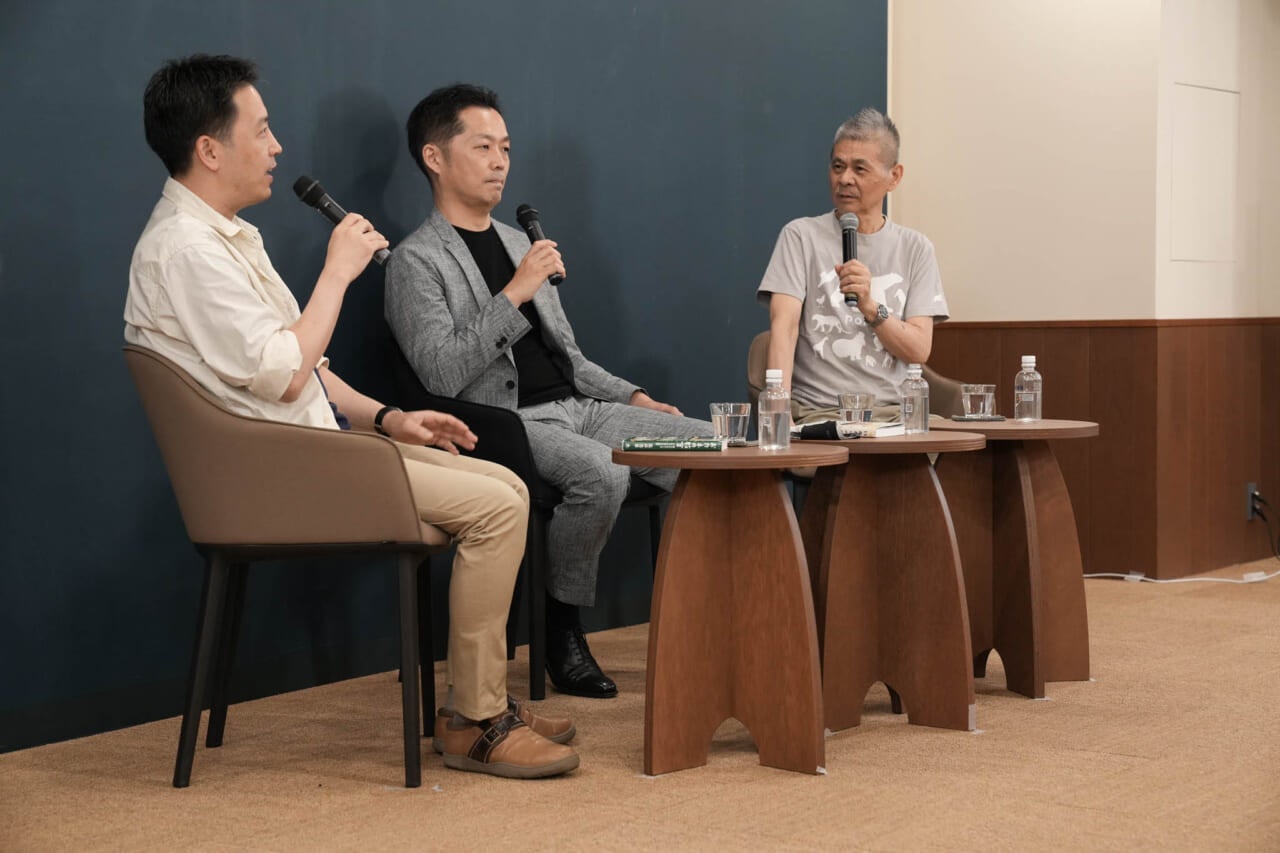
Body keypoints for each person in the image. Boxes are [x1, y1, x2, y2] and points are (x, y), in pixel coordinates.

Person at [124, 55, 576, 779]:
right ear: (209, 149)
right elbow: (285, 373)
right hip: (276, 472)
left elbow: (310, 370)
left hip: (314, 448)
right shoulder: (185, 250)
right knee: (496, 505)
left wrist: (392, 418)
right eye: (261, 131)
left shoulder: (226, 235)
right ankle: (475, 720)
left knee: (502, 482)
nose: (277, 147)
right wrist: (337, 273)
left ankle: (476, 700)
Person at [385, 84, 711, 699]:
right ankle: (561, 629)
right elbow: (440, 373)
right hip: (509, 422)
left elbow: (572, 358)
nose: (500, 162)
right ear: (434, 157)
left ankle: (712, 617)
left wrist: (633, 397)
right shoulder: (415, 261)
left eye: (506, 148)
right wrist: (515, 291)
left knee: (709, 447)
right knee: (602, 474)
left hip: (583, 408)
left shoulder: (518, 242)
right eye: (483, 147)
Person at [757, 108, 950, 424]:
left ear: (894, 176)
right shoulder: (800, 236)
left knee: (965, 446)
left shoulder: (916, 248)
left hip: (894, 415)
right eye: (838, 167)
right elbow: (784, 327)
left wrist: (871, 306)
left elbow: (918, 350)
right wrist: (779, 416)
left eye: (860, 169)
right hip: (819, 413)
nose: (845, 179)